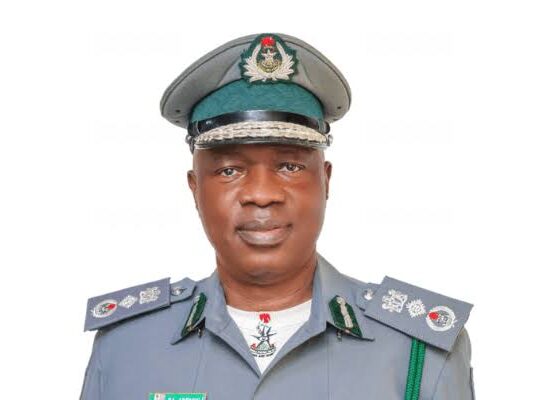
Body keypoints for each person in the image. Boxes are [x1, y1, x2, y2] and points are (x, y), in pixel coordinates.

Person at [80, 33, 475, 400]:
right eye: (229, 170)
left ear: (325, 180)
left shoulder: (417, 351)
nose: (262, 194)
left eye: (289, 166)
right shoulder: (126, 346)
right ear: (195, 189)